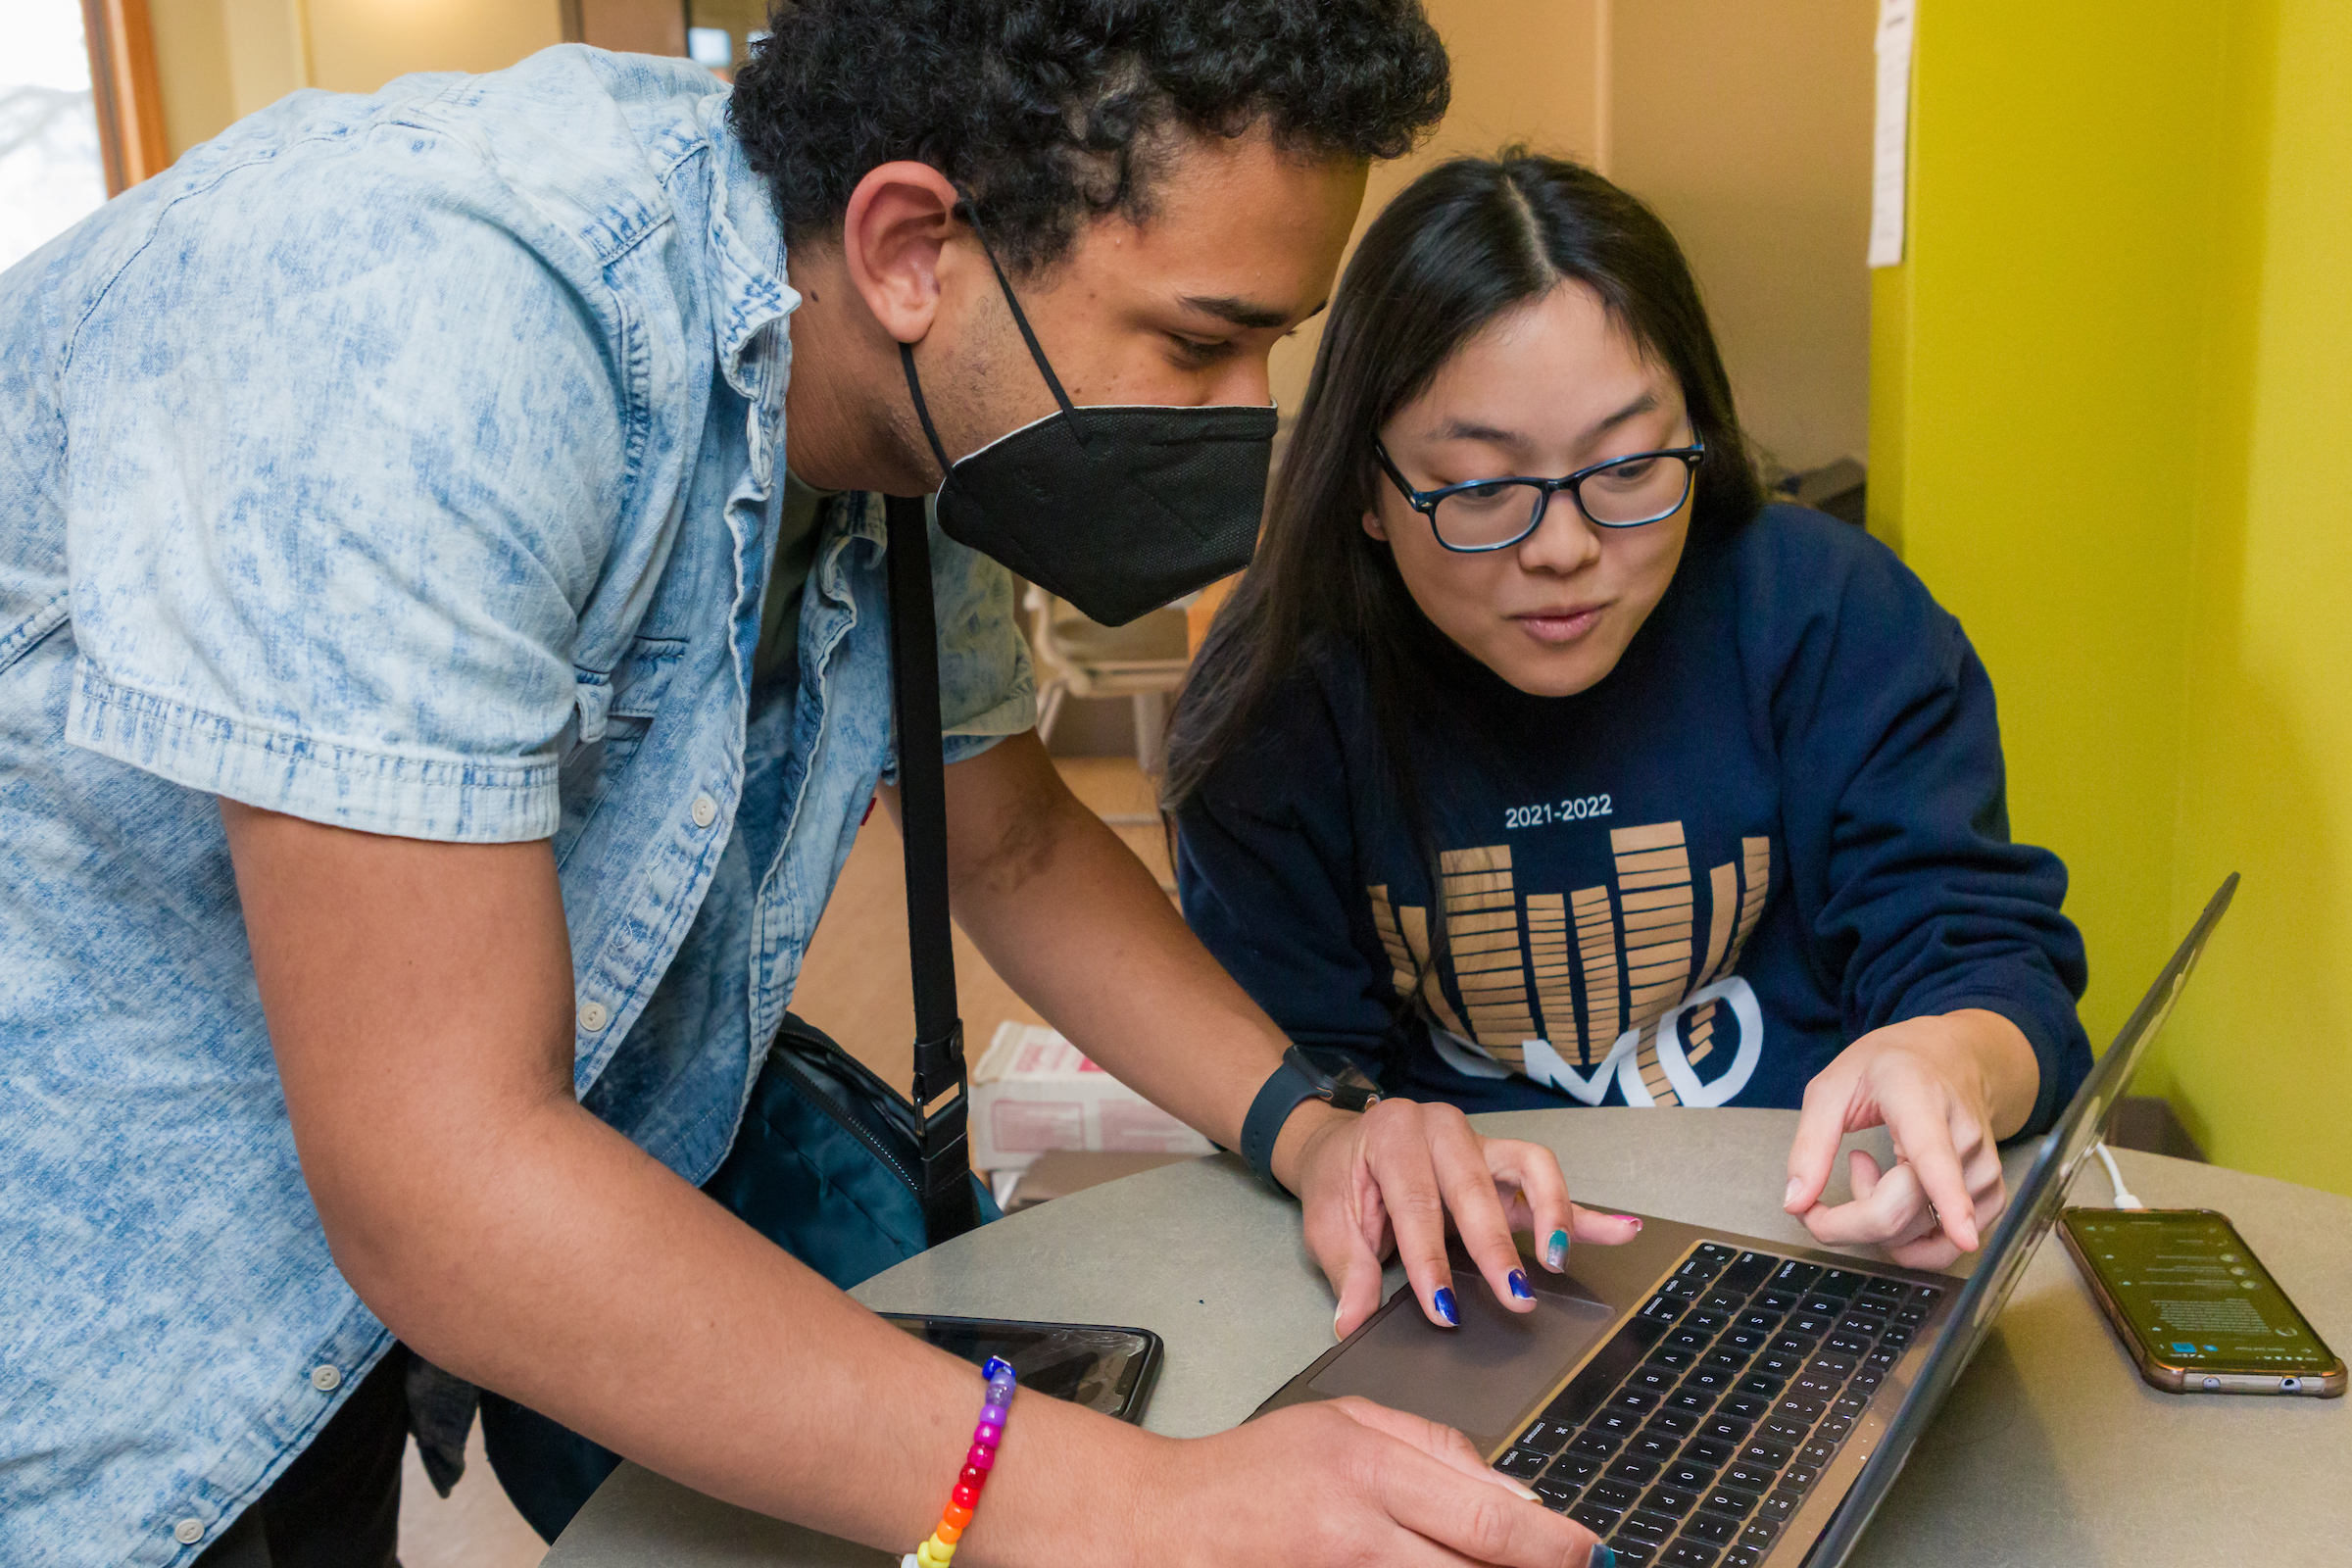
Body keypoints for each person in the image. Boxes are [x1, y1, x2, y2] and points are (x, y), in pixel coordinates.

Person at [1, 15, 1628, 1568]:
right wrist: (1140, 1508)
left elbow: (1009, 842)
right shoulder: (430, 316)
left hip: (325, 1299)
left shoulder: (895, 394)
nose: (1243, 416)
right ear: (914, 247)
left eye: (1270, 345)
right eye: (1202, 342)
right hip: (88, 1322)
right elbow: (443, 1182)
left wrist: (1315, 1130)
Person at [1168, 151, 2095, 1285]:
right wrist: (1347, 1139)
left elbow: (1989, 966)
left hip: (1812, 1248)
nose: (1564, 547)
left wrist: (1951, 1061)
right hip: (1464, 1278)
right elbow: (1284, 1087)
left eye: (1628, 467)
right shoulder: (1279, 705)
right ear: (1365, 489)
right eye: (1478, 489)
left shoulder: (1832, 617)